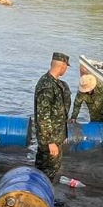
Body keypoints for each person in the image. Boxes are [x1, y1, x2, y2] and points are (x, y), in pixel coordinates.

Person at [34, 52, 72, 185]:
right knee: (48, 170)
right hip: (50, 138)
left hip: (56, 136)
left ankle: (42, 195)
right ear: (62, 66)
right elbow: (43, 115)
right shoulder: (47, 85)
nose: (66, 69)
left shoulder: (57, 83)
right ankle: (41, 197)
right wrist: (50, 141)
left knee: (46, 169)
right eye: (66, 67)